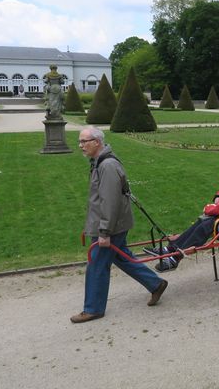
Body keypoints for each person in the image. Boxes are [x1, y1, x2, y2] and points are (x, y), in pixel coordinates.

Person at [71, 127, 168, 323]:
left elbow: (111, 202)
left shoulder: (107, 166)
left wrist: (104, 232)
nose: (80, 145)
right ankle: (155, 284)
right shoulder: (99, 163)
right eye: (79, 141)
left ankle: (93, 308)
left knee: (97, 265)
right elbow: (100, 201)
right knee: (121, 257)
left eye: (84, 141)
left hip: (110, 226)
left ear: (97, 142)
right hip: (111, 223)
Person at [146, 146, 219, 272]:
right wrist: (218, 195)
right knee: (202, 221)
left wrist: (209, 208)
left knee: (205, 225)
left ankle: (175, 258)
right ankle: (170, 249)